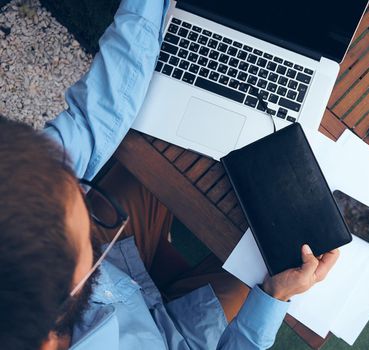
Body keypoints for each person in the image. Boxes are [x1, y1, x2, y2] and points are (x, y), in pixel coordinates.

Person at [0, 0, 339, 349]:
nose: (86, 209)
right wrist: (275, 296)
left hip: (125, 274)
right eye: (85, 238)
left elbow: (93, 120)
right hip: (184, 337)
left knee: (157, 153)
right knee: (277, 254)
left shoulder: (16, 198)